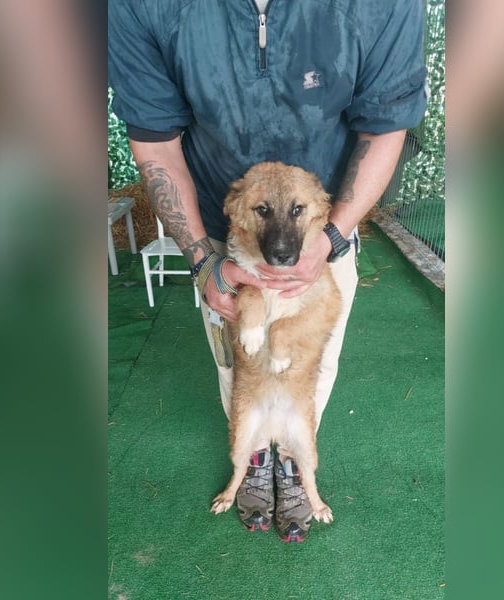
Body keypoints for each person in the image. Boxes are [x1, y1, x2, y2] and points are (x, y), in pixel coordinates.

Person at [108, 0, 427, 540]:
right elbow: (157, 142)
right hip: (223, 230)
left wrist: (331, 234)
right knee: (238, 361)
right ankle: (254, 457)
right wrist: (205, 261)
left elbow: (386, 126)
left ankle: (291, 463)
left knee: (312, 363)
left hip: (328, 226)